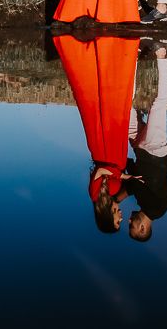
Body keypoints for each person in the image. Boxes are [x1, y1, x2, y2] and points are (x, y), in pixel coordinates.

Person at [53, 33, 141, 233]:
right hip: (116, 149)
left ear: (107, 218)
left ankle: (105, 55)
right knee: (121, 106)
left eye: (118, 221)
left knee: (105, 108)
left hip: (103, 146)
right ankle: (123, 55)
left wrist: (122, 176)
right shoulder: (113, 195)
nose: (121, 217)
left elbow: (100, 171)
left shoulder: (94, 196)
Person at [125, 41, 167, 242]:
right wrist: (120, 191)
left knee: (125, 105)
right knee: (159, 104)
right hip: (155, 150)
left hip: (140, 149)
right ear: (143, 229)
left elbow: (134, 175)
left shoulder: (144, 203)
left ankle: (132, 58)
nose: (129, 221)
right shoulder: (158, 209)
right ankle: (162, 56)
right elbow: (138, 184)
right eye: (133, 227)